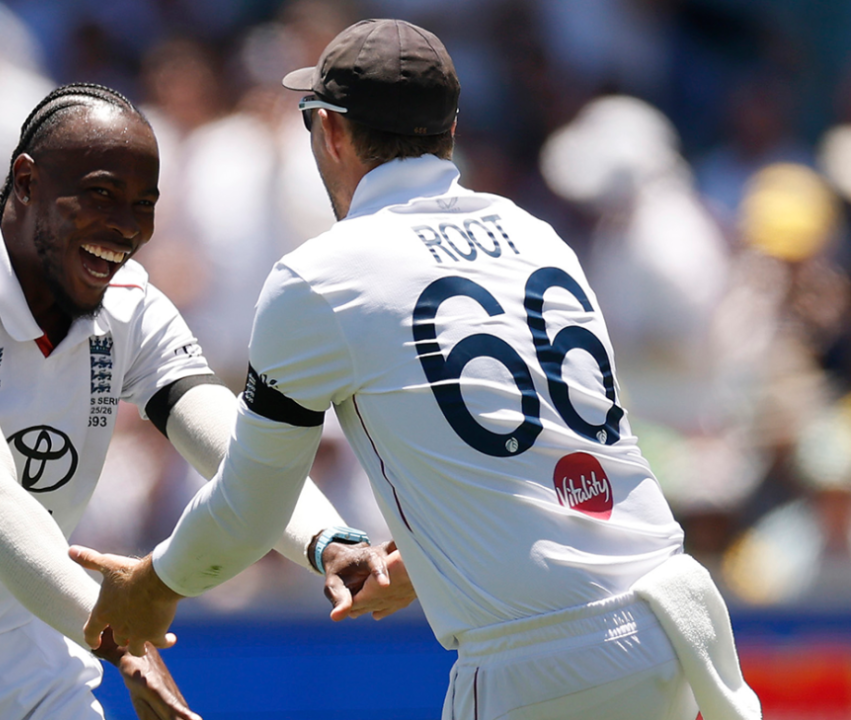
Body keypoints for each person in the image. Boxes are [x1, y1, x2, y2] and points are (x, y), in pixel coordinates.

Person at [71, 21, 762, 720]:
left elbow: (252, 508)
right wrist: (430, 558)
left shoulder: (319, 278)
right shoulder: (537, 235)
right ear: (451, 130)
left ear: (329, 131)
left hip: (543, 663)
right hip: (677, 622)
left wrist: (155, 584)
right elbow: (551, 452)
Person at [0, 82, 366, 720]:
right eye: (101, 194)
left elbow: (231, 441)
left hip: (24, 655)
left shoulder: (129, 303)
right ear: (26, 181)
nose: (126, 227)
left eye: (144, 204)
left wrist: (330, 541)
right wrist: (118, 638)